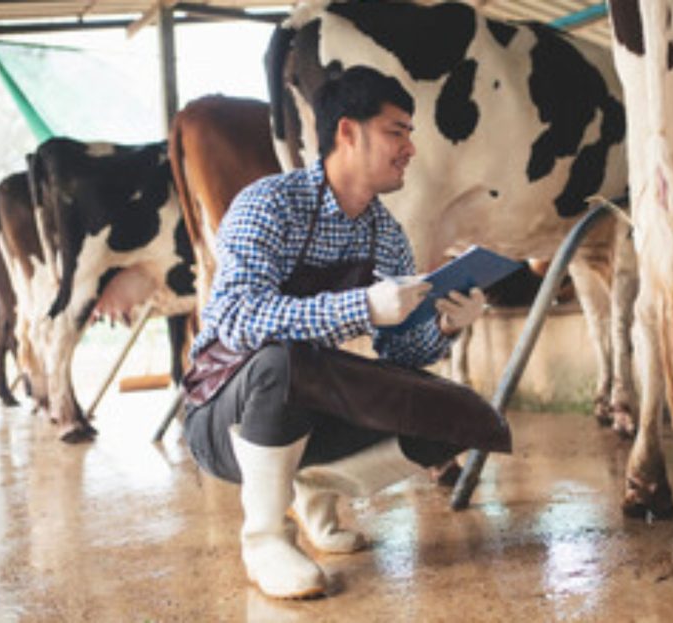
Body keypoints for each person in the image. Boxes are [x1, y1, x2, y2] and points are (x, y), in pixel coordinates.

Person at [181, 67, 510, 600]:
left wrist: (445, 322)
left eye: (410, 134)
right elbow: (238, 318)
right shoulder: (268, 204)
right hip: (223, 407)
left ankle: (311, 486)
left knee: (457, 416)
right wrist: (363, 305)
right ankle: (265, 539)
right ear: (347, 132)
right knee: (281, 363)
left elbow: (401, 353)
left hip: (307, 397)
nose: (410, 149)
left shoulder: (386, 235)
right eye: (396, 132)